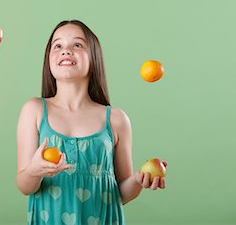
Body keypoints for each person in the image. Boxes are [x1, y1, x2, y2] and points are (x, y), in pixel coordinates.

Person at [16, 20, 167, 224]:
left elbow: (120, 194)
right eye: (58, 45)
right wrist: (34, 171)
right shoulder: (34, 110)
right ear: (48, 59)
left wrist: (139, 180)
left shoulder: (116, 119)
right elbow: (25, 186)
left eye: (77, 45)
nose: (66, 51)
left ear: (94, 57)